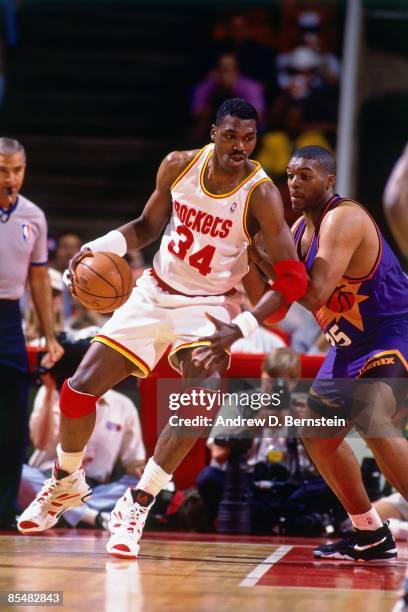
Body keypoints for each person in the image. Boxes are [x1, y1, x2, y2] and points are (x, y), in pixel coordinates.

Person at [17, 99, 308, 557]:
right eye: (230, 135)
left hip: (209, 305)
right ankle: (65, 482)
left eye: (248, 139)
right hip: (153, 290)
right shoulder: (178, 164)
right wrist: (95, 247)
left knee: (199, 400)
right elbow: (146, 225)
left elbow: (291, 279)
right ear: (213, 132)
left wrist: (245, 322)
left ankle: (138, 502)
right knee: (77, 391)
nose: (239, 146)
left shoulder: (262, 193)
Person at [193, 144, 408, 562]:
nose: (293, 182)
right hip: (348, 344)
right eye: (290, 175)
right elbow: (279, 309)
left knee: (373, 414)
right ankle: (370, 533)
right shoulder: (295, 234)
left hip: (391, 331)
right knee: (316, 433)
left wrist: (274, 267)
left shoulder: (343, 218)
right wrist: (253, 256)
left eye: (305, 175)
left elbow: (313, 292)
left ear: (329, 180)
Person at [0, 137, 64, 530]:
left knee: (12, 424)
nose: (11, 178)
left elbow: (38, 277)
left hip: (9, 319)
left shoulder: (34, 216)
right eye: (3, 170)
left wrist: (51, 334)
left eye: (17, 170)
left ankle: (4, 511)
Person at [21, 376, 145, 530]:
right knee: (19, 473)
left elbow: (134, 462)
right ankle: (93, 517)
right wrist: (48, 390)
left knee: (144, 487)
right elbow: (40, 443)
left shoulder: (124, 405)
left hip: (95, 490)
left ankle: (56, 512)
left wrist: (143, 473)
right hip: (48, 481)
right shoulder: (52, 392)